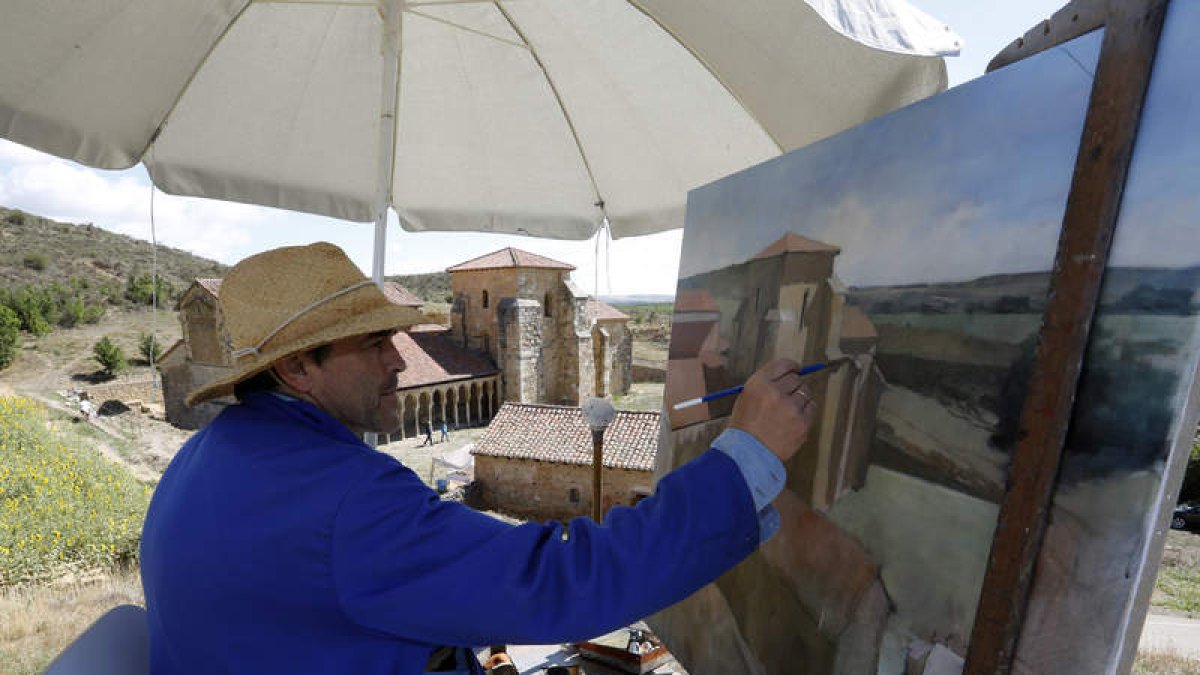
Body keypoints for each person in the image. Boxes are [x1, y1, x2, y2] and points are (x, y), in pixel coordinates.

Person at [140, 242, 817, 675]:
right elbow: (564, 580)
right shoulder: (349, 502)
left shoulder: (201, 457)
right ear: (296, 368)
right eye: (373, 342)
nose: (399, 358)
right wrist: (744, 458)